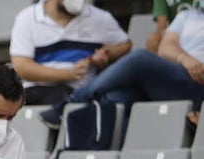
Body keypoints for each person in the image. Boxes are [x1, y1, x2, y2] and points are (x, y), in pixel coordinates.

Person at [37, 4, 204, 127]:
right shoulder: (188, 16)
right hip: (172, 75)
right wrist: (184, 58)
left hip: (197, 83)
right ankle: (83, 155)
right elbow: (165, 48)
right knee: (116, 99)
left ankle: (73, 100)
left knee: (140, 58)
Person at [9, 0, 132, 107]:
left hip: (81, 92)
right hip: (37, 91)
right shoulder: (27, 17)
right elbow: (22, 67)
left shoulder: (100, 18)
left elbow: (125, 44)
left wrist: (106, 54)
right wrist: (69, 74)